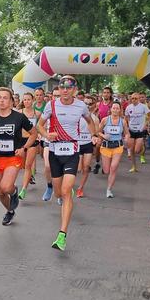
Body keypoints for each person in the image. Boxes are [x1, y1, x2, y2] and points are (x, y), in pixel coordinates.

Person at [37, 75, 96, 251]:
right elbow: (39, 125)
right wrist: (47, 135)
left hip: (72, 151)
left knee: (65, 192)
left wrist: (93, 135)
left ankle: (62, 235)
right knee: (58, 193)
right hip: (55, 151)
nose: (65, 90)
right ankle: (63, 192)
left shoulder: (81, 105)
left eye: (69, 87)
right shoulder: (51, 105)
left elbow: (89, 121)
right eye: (62, 87)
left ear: (74, 89)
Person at [0, 87, 37, 225]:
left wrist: (24, 148)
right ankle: (10, 211)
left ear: (11, 101)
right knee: (0, 192)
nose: (2, 100)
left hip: (13, 157)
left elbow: (34, 134)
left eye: (5, 98)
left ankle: (14, 190)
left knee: (6, 187)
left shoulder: (19, 117)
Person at [97, 101, 128, 198]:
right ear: (110, 109)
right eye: (113, 108)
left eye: (117, 108)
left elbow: (127, 133)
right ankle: (104, 168)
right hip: (106, 146)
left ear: (120, 110)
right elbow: (98, 131)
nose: (115, 110)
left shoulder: (122, 121)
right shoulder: (105, 120)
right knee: (106, 170)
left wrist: (127, 137)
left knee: (113, 168)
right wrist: (104, 135)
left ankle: (109, 189)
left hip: (118, 147)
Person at [75, 97, 99, 198]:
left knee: (85, 168)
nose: (87, 106)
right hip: (77, 144)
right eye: (85, 103)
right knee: (79, 168)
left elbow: (96, 133)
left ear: (94, 105)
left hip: (88, 145)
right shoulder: (76, 116)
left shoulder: (95, 118)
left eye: (90, 104)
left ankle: (81, 188)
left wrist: (95, 139)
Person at [18, 92, 39, 200]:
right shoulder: (18, 113)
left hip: (32, 141)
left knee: (27, 165)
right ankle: (30, 176)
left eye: (28, 99)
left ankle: (23, 189)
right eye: (25, 99)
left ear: (33, 100)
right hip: (21, 141)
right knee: (21, 166)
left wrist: (39, 134)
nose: (26, 101)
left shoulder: (37, 113)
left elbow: (40, 126)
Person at [124, 92, 150, 172]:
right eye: (132, 98)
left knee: (137, 150)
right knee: (131, 150)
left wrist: (145, 124)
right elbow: (126, 117)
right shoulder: (128, 107)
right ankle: (134, 167)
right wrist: (128, 125)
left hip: (140, 130)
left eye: (135, 98)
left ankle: (142, 146)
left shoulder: (143, 107)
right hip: (131, 130)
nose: (134, 100)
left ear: (138, 99)